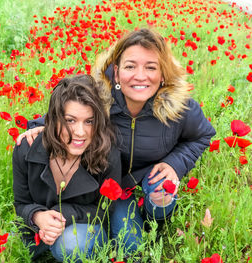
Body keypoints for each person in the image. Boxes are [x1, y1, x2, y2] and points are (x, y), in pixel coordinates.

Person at [16, 28, 216, 255]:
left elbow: (203, 135)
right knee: (129, 244)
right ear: (117, 72)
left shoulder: (180, 107)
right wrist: (39, 127)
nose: (140, 76)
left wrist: (175, 164)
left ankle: (154, 221)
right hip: (107, 184)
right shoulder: (101, 97)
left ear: (162, 74)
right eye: (130, 66)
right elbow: (68, 111)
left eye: (150, 67)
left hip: (147, 176)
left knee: (156, 204)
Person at [9, 74, 121, 262]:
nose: (80, 132)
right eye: (70, 120)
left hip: (83, 229)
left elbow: (105, 210)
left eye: (89, 121)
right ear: (53, 119)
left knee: (70, 245)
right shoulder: (26, 149)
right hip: (35, 229)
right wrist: (37, 216)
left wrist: (66, 214)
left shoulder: (108, 155)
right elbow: (20, 204)